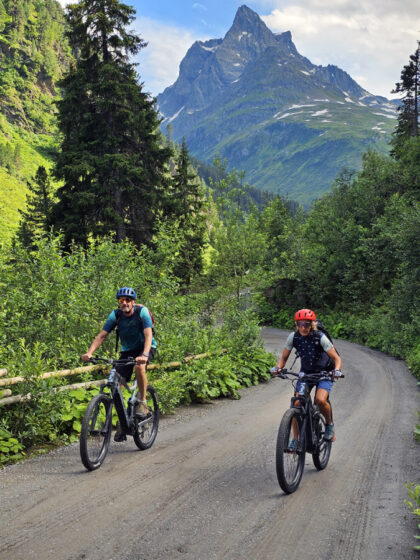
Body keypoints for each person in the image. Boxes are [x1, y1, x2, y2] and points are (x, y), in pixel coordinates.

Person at [81, 287, 157, 441]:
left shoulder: (142, 312)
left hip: (145, 349)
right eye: (121, 300)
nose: (124, 303)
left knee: (139, 366)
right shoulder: (115, 315)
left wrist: (144, 354)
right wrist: (90, 353)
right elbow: (102, 335)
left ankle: (142, 401)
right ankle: (124, 421)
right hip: (127, 351)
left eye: (128, 300)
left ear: (133, 302)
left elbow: (148, 334)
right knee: (116, 385)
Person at [272, 308, 342, 441]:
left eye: (306, 324)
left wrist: (337, 370)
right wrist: (278, 368)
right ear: (296, 324)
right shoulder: (293, 337)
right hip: (306, 373)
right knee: (297, 403)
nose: (303, 327)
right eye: (300, 324)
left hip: (325, 372)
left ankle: (329, 425)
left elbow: (337, 358)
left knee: (320, 400)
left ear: (312, 325)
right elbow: (284, 358)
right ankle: (296, 439)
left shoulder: (320, 337)